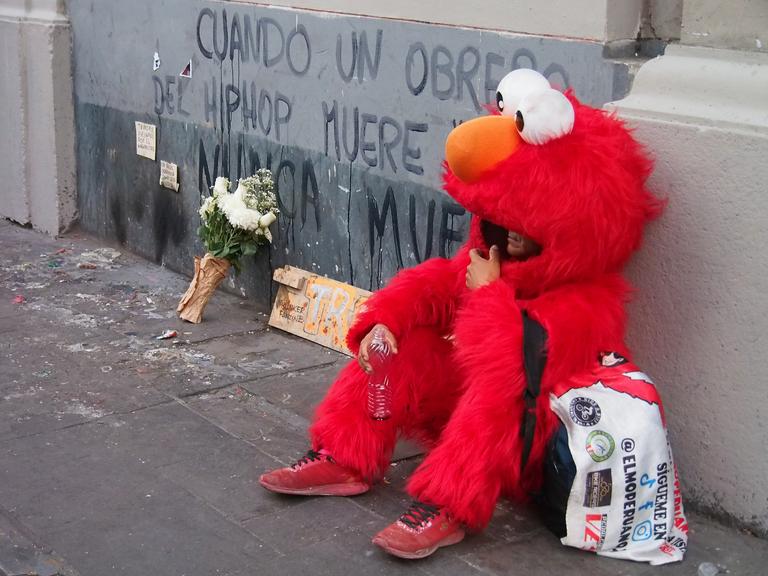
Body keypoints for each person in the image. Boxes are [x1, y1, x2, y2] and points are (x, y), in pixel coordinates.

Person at [259, 69, 687, 564]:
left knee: (494, 397)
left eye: (522, 229)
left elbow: (511, 371)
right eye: (501, 223)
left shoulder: (589, 303)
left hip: (522, 443)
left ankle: (448, 507)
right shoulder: (494, 259)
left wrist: (488, 294)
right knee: (404, 346)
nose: (507, 236)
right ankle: (345, 455)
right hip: (463, 418)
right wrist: (387, 321)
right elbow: (438, 282)